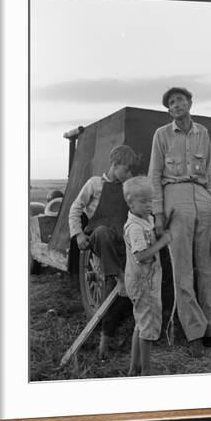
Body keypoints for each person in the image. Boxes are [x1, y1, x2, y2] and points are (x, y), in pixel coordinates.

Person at [149, 87, 211, 357]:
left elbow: (208, 166)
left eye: (180, 100)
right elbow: (154, 175)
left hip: (202, 197)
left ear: (190, 103)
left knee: (209, 267)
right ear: (168, 109)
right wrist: (159, 213)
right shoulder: (161, 135)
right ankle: (194, 332)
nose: (176, 105)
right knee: (183, 267)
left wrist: (209, 193)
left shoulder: (202, 132)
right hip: (175, 196)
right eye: (171, 102)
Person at [68, 144, 138, 358]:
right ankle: (118, 275)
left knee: (115, 291)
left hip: (120, 242)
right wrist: (78, 234)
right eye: (126, 170)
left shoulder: (127, 187)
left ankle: (104, 342)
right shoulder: (95, 184)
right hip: (99, 239)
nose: (129, 175)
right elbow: (75, 208)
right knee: (103, 233)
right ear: (115, 165)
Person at [123, 177, 173, 376]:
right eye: (143, 201)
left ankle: (133, 369)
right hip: (143, 283)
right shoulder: (135, 228)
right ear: (130, 203)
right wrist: (163, 243)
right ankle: (146, 371)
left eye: (151, 201)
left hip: (146, 280)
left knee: (140, 324)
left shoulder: (146, 220)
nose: (149, 205)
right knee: (148, 327)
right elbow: (141, 256)